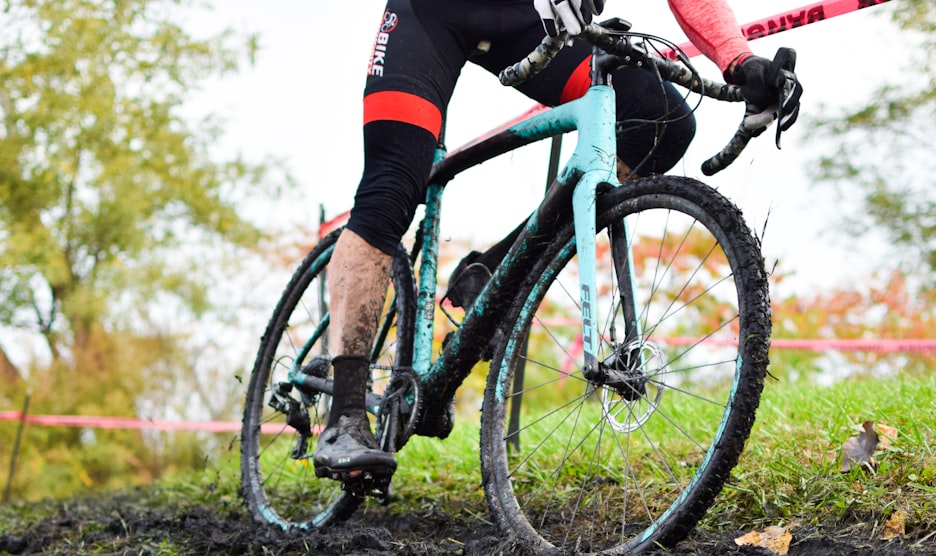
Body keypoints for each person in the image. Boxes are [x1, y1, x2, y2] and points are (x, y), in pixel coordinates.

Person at [311, 0, 803, 482]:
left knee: (660, 119)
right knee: (391, 190)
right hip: (432, 14)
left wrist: (738, 58)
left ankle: (499, 273)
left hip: (534, 23)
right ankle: (345, 416)